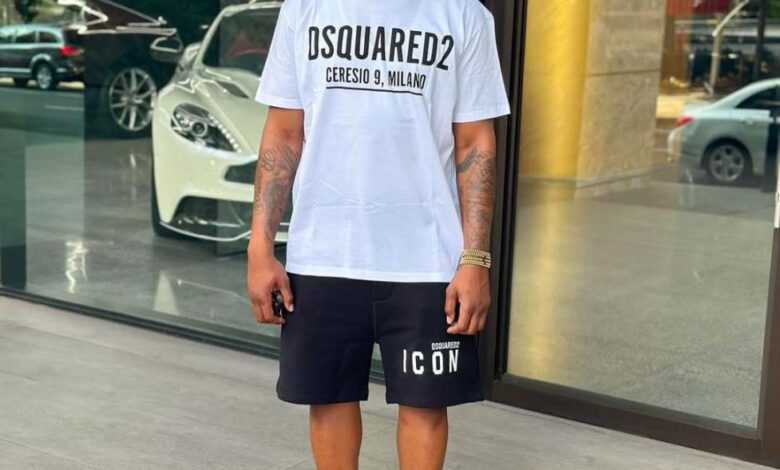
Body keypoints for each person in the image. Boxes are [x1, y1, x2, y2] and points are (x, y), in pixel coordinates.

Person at [246, 0, 510, 468]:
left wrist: (475, 260)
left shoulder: (464, 14)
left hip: (427, 260)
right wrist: (260, 247)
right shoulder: (304, 9)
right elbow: (283, 133)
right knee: (328, 400)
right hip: (324, 252)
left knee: (426, 407)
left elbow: (475, 144)